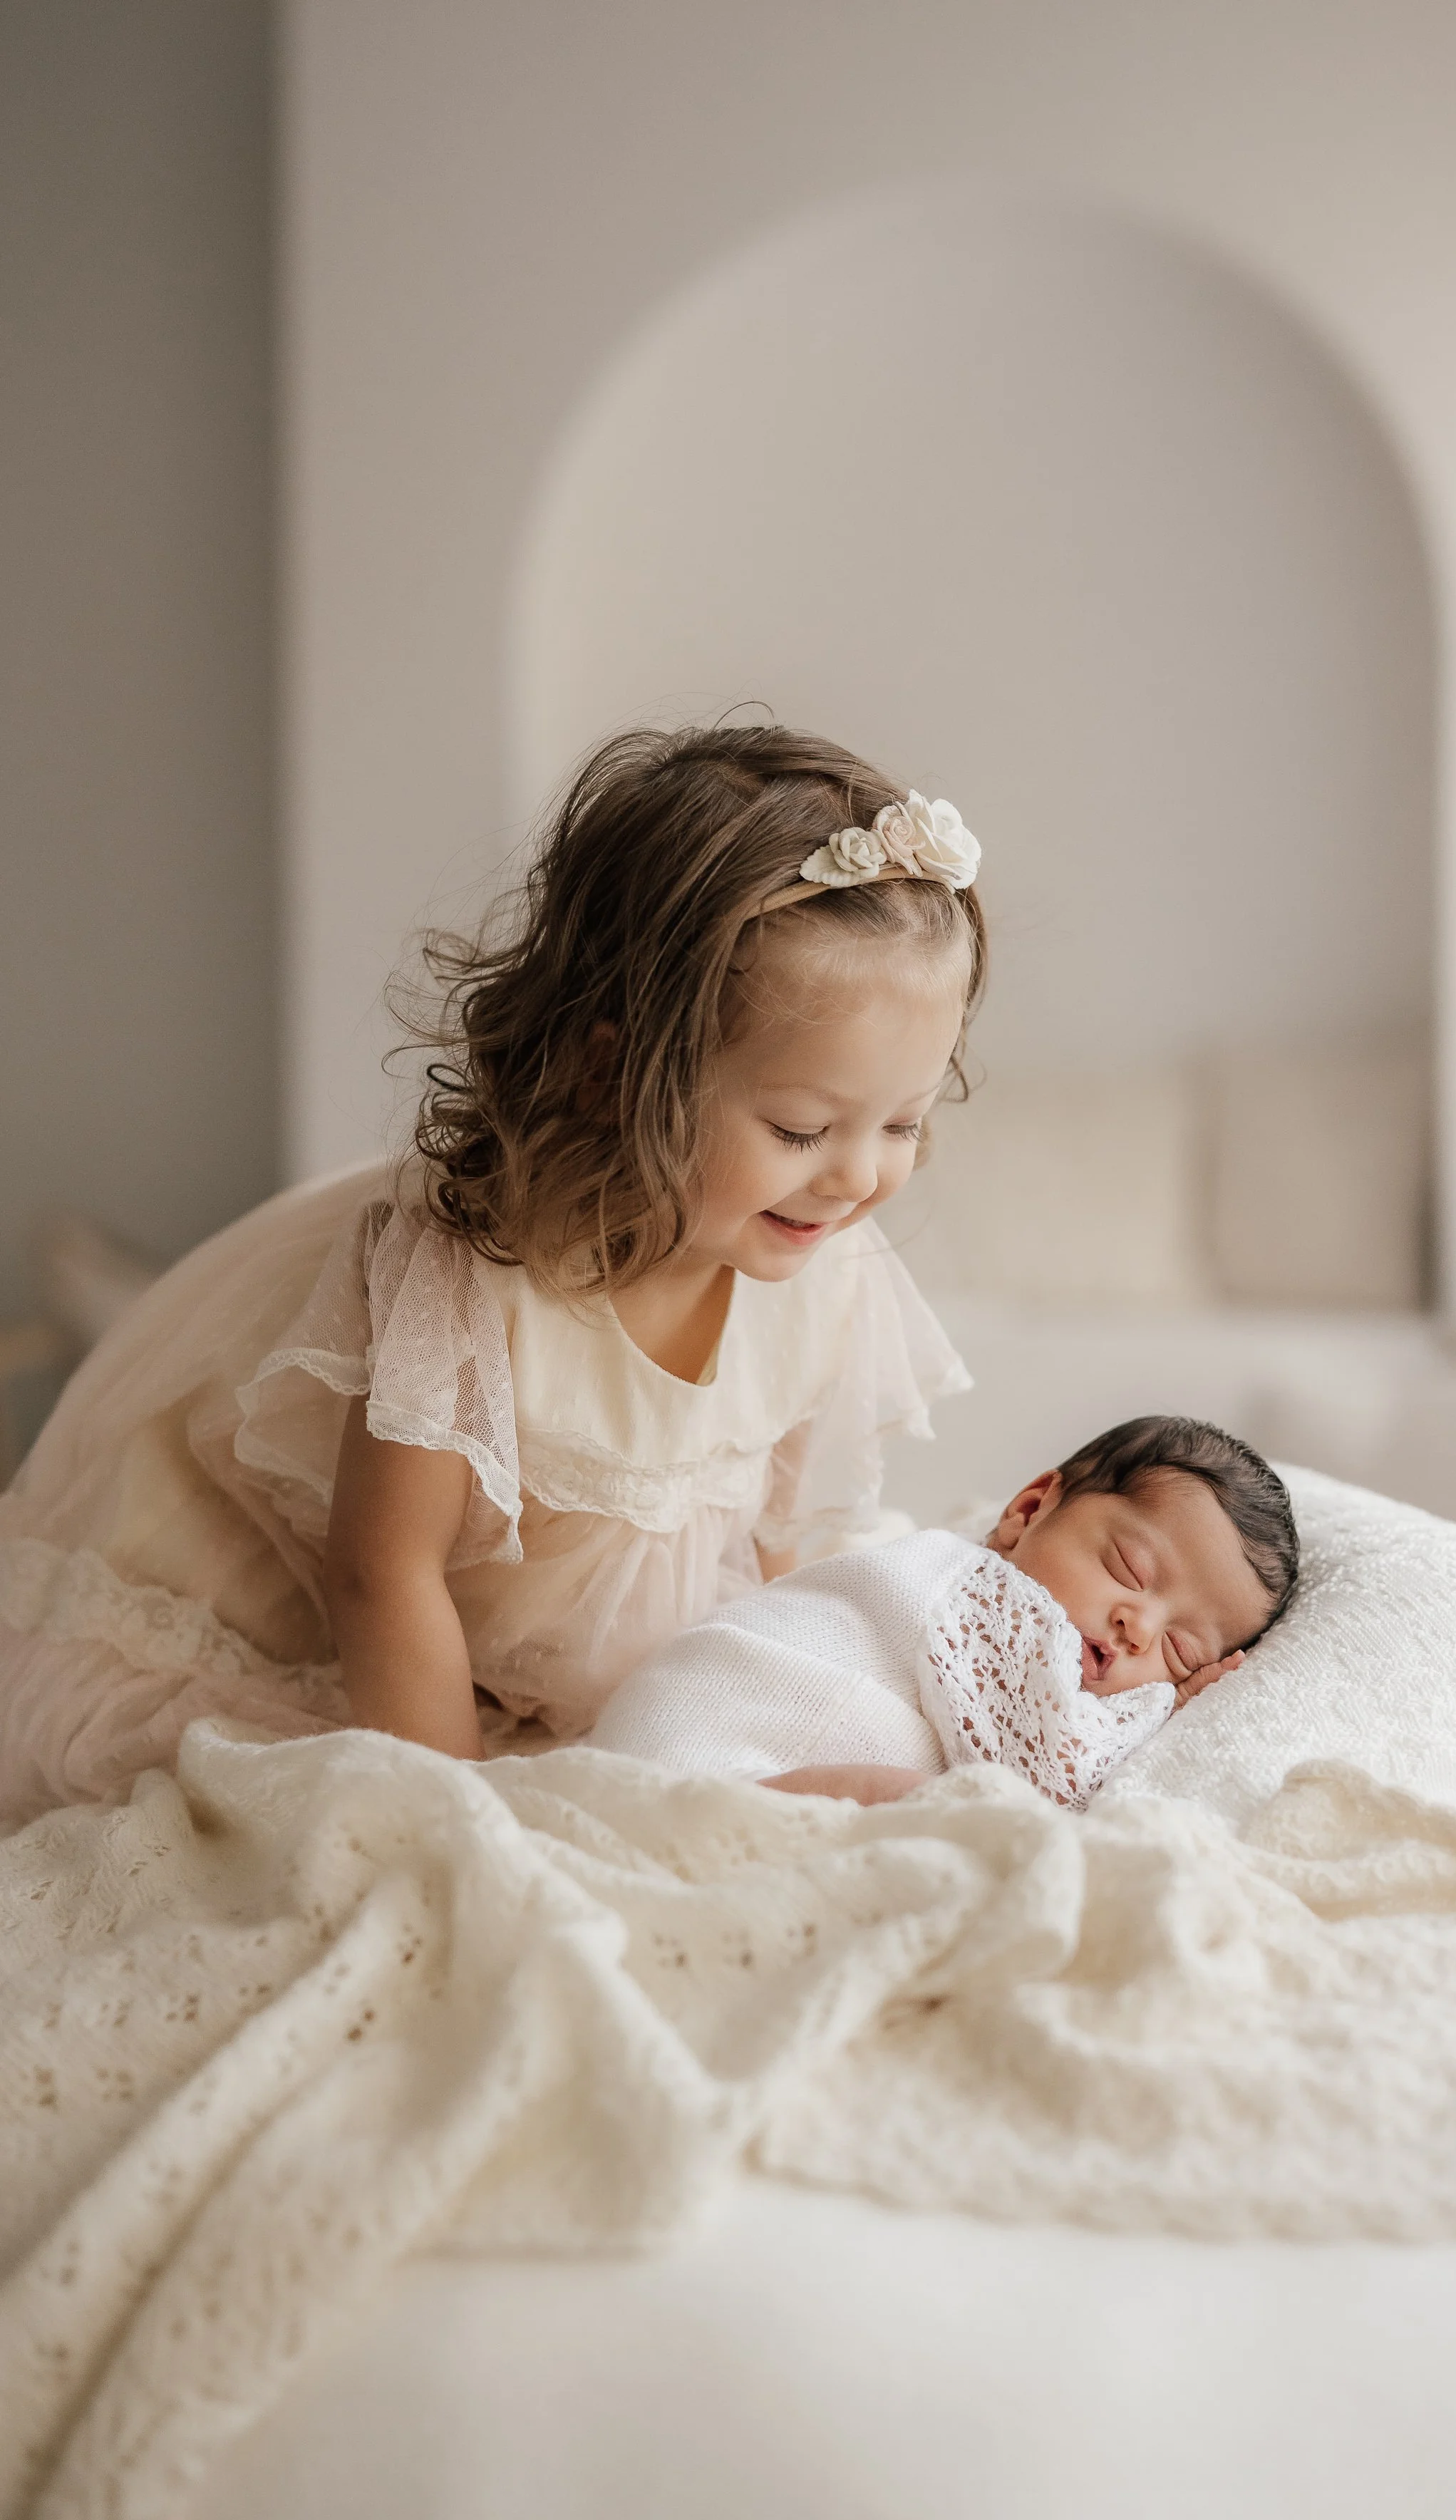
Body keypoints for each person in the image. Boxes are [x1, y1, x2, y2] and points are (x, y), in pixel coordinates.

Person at [0, 725, 986, 1824]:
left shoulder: (819, 1260)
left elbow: (774, 1547)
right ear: (614, 1073)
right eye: (801, 1129)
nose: (858, 1179)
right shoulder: (476, 1273)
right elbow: (383, 1573)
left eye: (904, 1123)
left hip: (512, 1642)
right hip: (314, 1623)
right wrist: (472, 1825)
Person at [589, 1414, 1299, 1809]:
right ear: (1028, 1510)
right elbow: (1047, 1777)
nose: (1138, 1627)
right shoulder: (983, 1594)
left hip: (733, 1773)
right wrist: (1163, 1707)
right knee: (959, 1814)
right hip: (700, 1756)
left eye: (1180, 1651)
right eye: (1128, 1570)